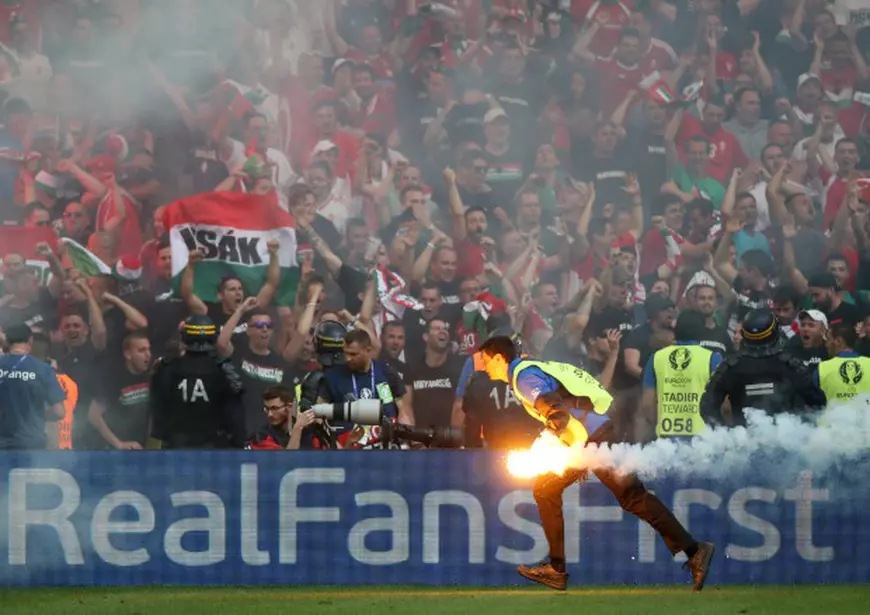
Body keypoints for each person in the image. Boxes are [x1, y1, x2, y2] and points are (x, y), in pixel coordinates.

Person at [477, 331, 714, 592]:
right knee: (554, 490)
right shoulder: (527, 369)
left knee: (628, 497)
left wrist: (555, 425)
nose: (484, 367)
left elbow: (552, 405)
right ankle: (693, 551)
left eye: (486, 361)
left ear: (499, 358)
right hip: (590, 436)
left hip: (591, 439)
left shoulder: (522, 376)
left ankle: (694, 551)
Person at [700, 309, 827, 427]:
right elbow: (818, 402)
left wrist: (727, 434)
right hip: (786, 442)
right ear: (775, 332)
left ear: (744, 334)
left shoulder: (730, 366)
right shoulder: (790, 364)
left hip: (744, 442)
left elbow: (708, 407)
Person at [149, 315, 247, 449]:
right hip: (214, 449)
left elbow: (157, 413)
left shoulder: (166, 368)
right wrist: (239, 444)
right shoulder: (224, 370)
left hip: (176, 448)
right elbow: (236, 418)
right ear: (213, 337)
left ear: (184, 337)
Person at [319, 329, 413, 438]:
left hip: (384, 444)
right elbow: (319, 413)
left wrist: (409, 439)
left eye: (353, 354)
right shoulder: (333, 376)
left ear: (368, 350)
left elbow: (402, 410)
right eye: (345, 353)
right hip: (348, 447)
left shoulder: (386, 372)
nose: (347, 359)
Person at [642, 311, 723, 439]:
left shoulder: (656, 358)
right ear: (702, 332)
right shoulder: (713, 358)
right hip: (703, 441)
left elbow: (647, 404)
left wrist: (657, 424)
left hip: (666, 442)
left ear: (676, 330)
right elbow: (724, 404)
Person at [0, 324, 65, 450]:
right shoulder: (43, 369)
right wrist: (35, 415)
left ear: (7, 341)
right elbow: (59, 412)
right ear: (30, 340)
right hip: (32, 443)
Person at [88, 330, 153, 450]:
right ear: (128, 354)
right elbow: (94, 415)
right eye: (141, 350)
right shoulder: (114, 378)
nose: (148, 354)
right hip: (114, 450)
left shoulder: (151, 376)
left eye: (148, 349)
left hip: (141, 448)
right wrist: (118, 444)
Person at [247, 385, 318, 450]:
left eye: (274, 408)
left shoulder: (309, 433)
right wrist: (298, 428)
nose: (270, 414)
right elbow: (287, 461)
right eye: (267, 409)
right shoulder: (261, 437)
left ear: (290, 407)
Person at [816, 320, 870, 405]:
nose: (826, 345)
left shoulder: (822, 369)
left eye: (828, 339)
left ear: (838, 341)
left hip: (833, 417)